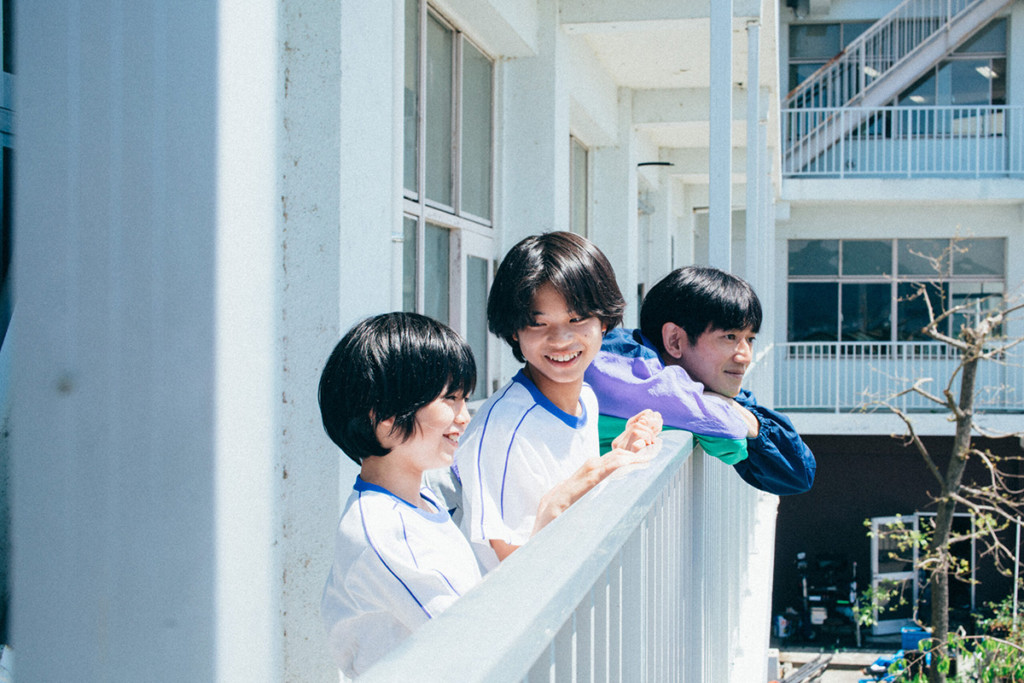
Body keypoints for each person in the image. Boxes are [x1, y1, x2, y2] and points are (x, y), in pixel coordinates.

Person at [319, 312, 649, 676]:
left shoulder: (418, 500)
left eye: (464, 399)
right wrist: (547, 519)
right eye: (450, 399)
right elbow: (479, 641)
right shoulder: (385, 531)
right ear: (385, 416)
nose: (463, 417)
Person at [455, 232, 662, 571]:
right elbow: (513, 570)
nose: (561, 340)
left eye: (576, 319)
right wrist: (590, 478)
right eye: (538, 324)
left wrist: (617, 462)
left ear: (604, 322)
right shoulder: (502, 431)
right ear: (514, 331)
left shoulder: (586, 399)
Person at [585, 266, 816, 496]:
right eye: (730, 337)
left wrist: (731, 406)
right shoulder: (618, 363)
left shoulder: (700, 381)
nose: (745, 356)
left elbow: (799, 472)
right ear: (674, 340)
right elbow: (730, 432)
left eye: (750, 339)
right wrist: (721, 406)